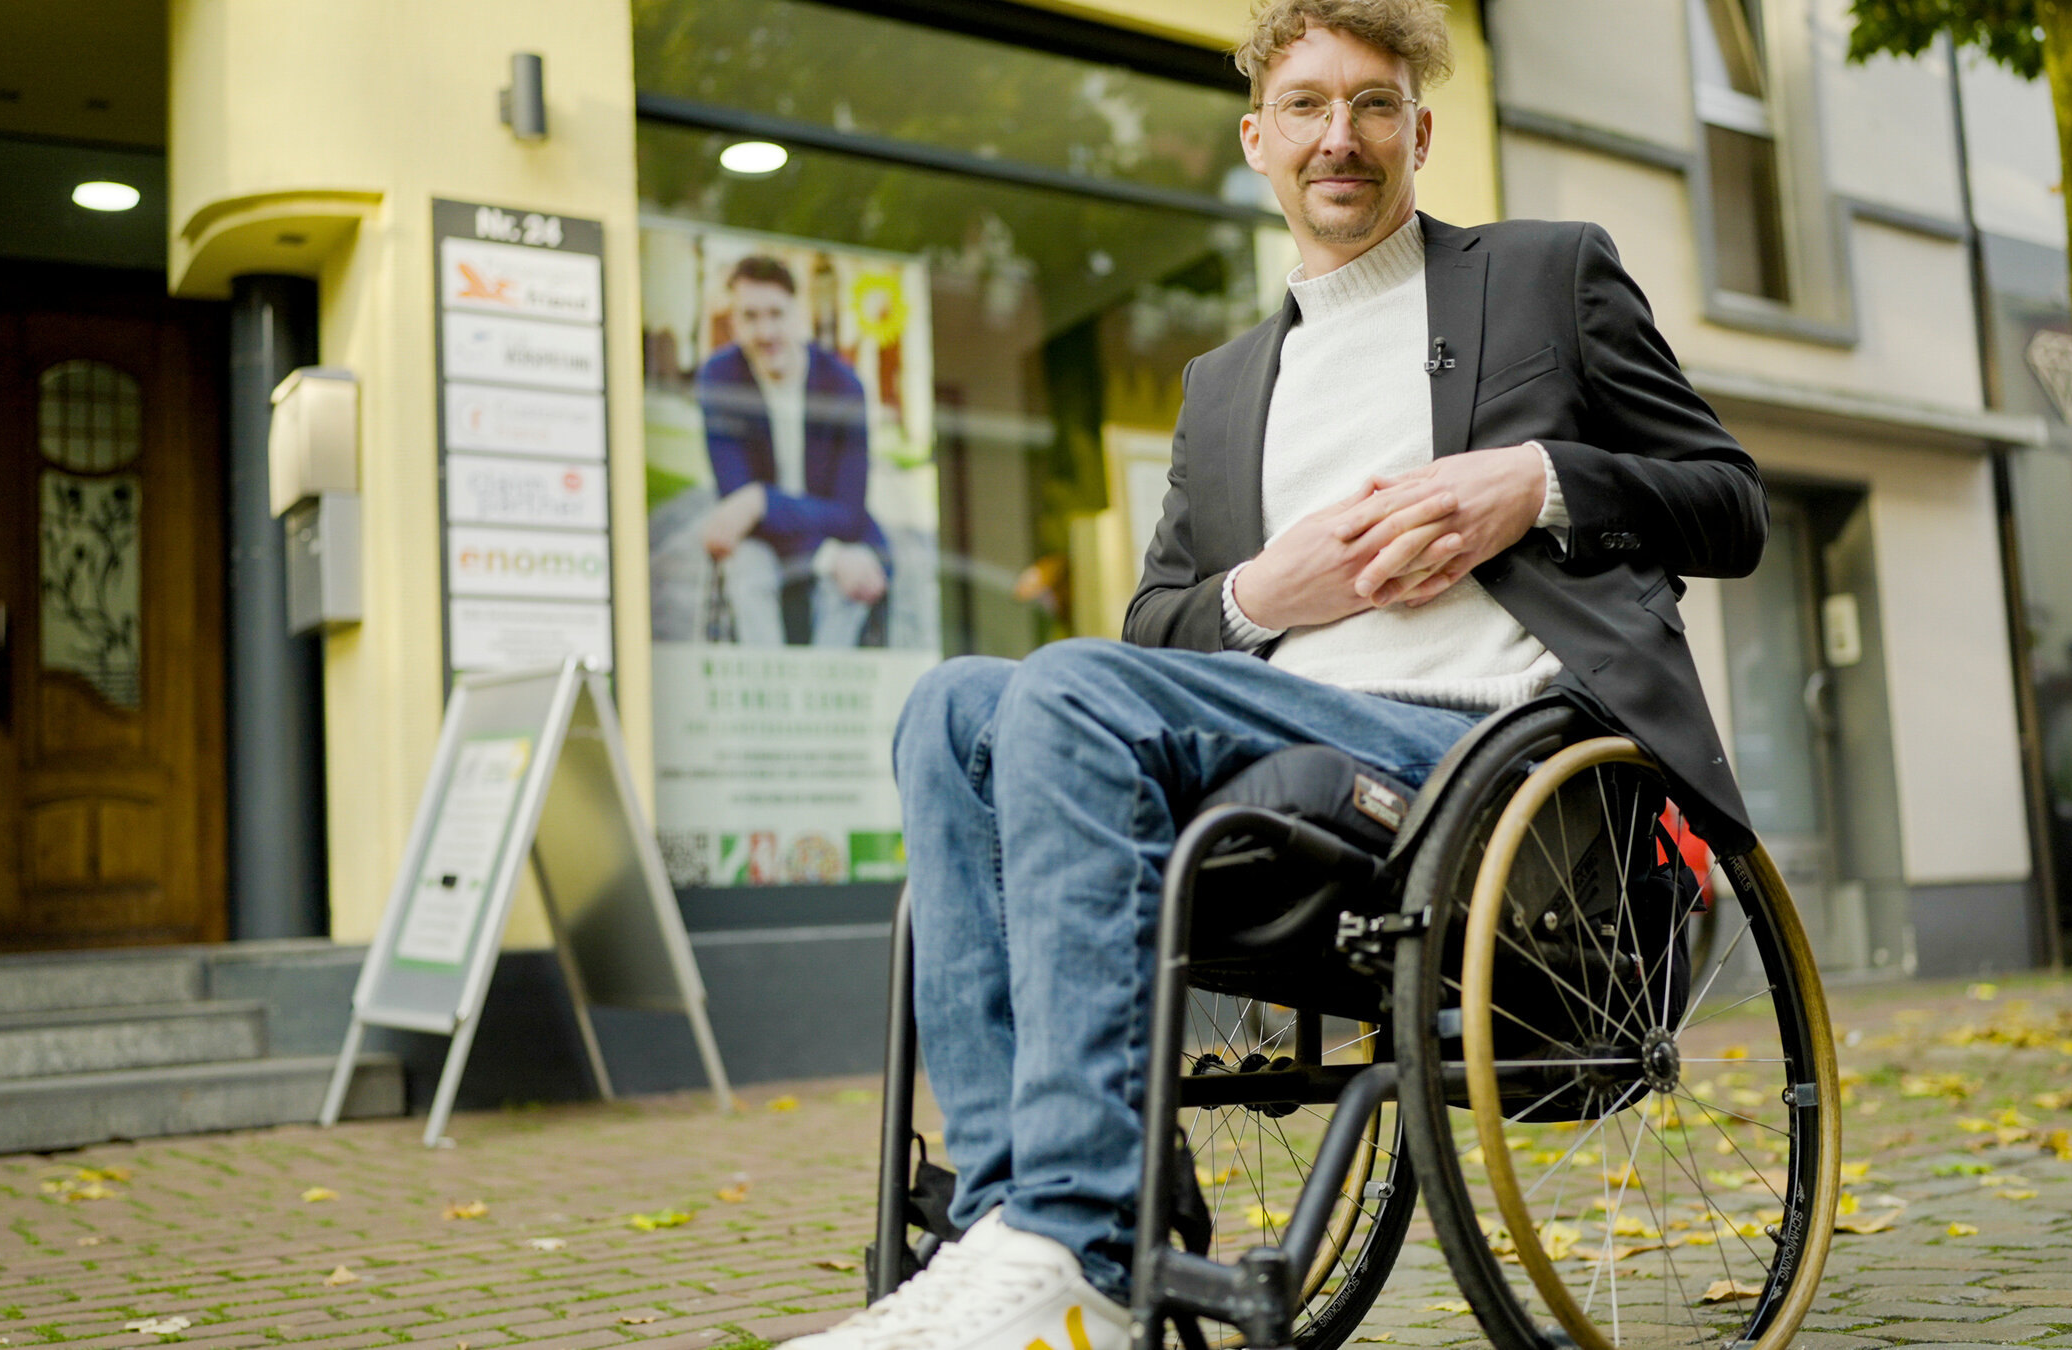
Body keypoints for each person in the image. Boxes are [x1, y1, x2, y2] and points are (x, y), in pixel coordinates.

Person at [795, 3, 1767, 1349]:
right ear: (1257, 138)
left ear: (1419, 131)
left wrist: (1530, 482)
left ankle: (1069, 1236)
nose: (1340, 136)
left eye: (1373, 104)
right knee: (950, 703)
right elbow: (1153, 629)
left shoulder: (1546, 278)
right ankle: (999, 1233)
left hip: (1480, 760)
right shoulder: (1221, 386)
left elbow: (1728, 506)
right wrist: (1264, 593)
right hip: (1279, 742)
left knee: (1063, 686)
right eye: (1305, 105)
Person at [693, 254, 891, 647]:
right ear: (733, 321)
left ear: (798, 314)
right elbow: (736, 508)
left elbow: (849, 513)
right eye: (750, 317)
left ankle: (824, 701)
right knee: (746, 570)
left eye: (776, 314)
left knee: (857, 575)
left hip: (835, 533)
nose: (765, 331)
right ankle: (766, 698)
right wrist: (826, 555)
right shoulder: (719, 380)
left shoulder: (843, 386)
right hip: (764, 542)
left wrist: (760, 501)